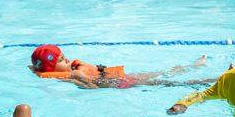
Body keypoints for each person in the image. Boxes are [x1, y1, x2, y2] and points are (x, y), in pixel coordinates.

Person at [30, 44, 215, 89]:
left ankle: (194, 66)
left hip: (119, 79)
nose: (68, 59)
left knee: (164, 74)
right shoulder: (75, 74)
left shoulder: (71, 71)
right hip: (120, 84)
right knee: (167, 82)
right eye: (62, 60)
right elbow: (94, 87)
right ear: (51, 68)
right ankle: (208, 79)